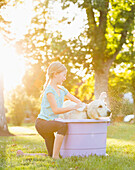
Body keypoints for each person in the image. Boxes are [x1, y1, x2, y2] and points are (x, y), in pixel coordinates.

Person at [17, 61, 83, 159]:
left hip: (49, 124)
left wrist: (87, 107)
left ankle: (24, 154)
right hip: (42, 123)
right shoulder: (49, 91)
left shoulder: (62, 90)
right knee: (63, 126)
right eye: (63, 75)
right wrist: (72, 107)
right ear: (55, 74)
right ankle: (56, 156)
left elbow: (78, 102)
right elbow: (56, 110)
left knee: (50, 154)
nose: (64, 78)